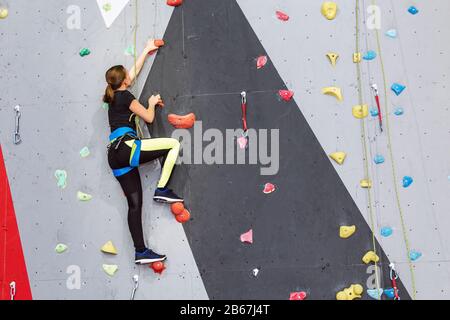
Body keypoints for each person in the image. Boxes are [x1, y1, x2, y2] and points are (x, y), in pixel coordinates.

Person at [104, 39, 183, 265]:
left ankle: (140, 251)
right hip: (128, 148)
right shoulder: (126, 97)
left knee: (134, 204)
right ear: (125, 81)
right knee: (173, 145)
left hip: (115, 156)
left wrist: (146, 50)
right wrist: (151, 102)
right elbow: (148, 117)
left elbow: (131, 74)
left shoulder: (111, 95)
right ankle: (162, 188)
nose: (131, 76)